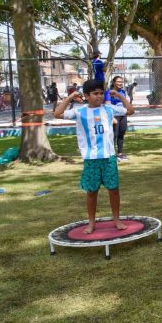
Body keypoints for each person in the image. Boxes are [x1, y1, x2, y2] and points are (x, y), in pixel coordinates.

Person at [53, 79, 135, 234]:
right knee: (91, 192)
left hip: (109, 157)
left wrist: (119, 95)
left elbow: (130, 110)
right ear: (86, 95)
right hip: (91, 159)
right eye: (95, 94)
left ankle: (116, 219)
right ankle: (91, 222)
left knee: (114, 189)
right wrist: (70, 97)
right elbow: (57, 114)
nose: (99, 96)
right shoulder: (79, 111)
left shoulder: (109, 108)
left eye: (101, 93)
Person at [105, 75, 130, 160]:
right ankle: (112, 154)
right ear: (114, 82)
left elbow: (125, 103)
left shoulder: (122, 92)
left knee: (121, 134)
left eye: (121, 82)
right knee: (114, 135)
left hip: (123, 115)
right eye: (118, 81)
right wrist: (112, 117)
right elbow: (108, 105)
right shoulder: (109, 92)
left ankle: (120, 154)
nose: (120, 83)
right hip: (114, 116)